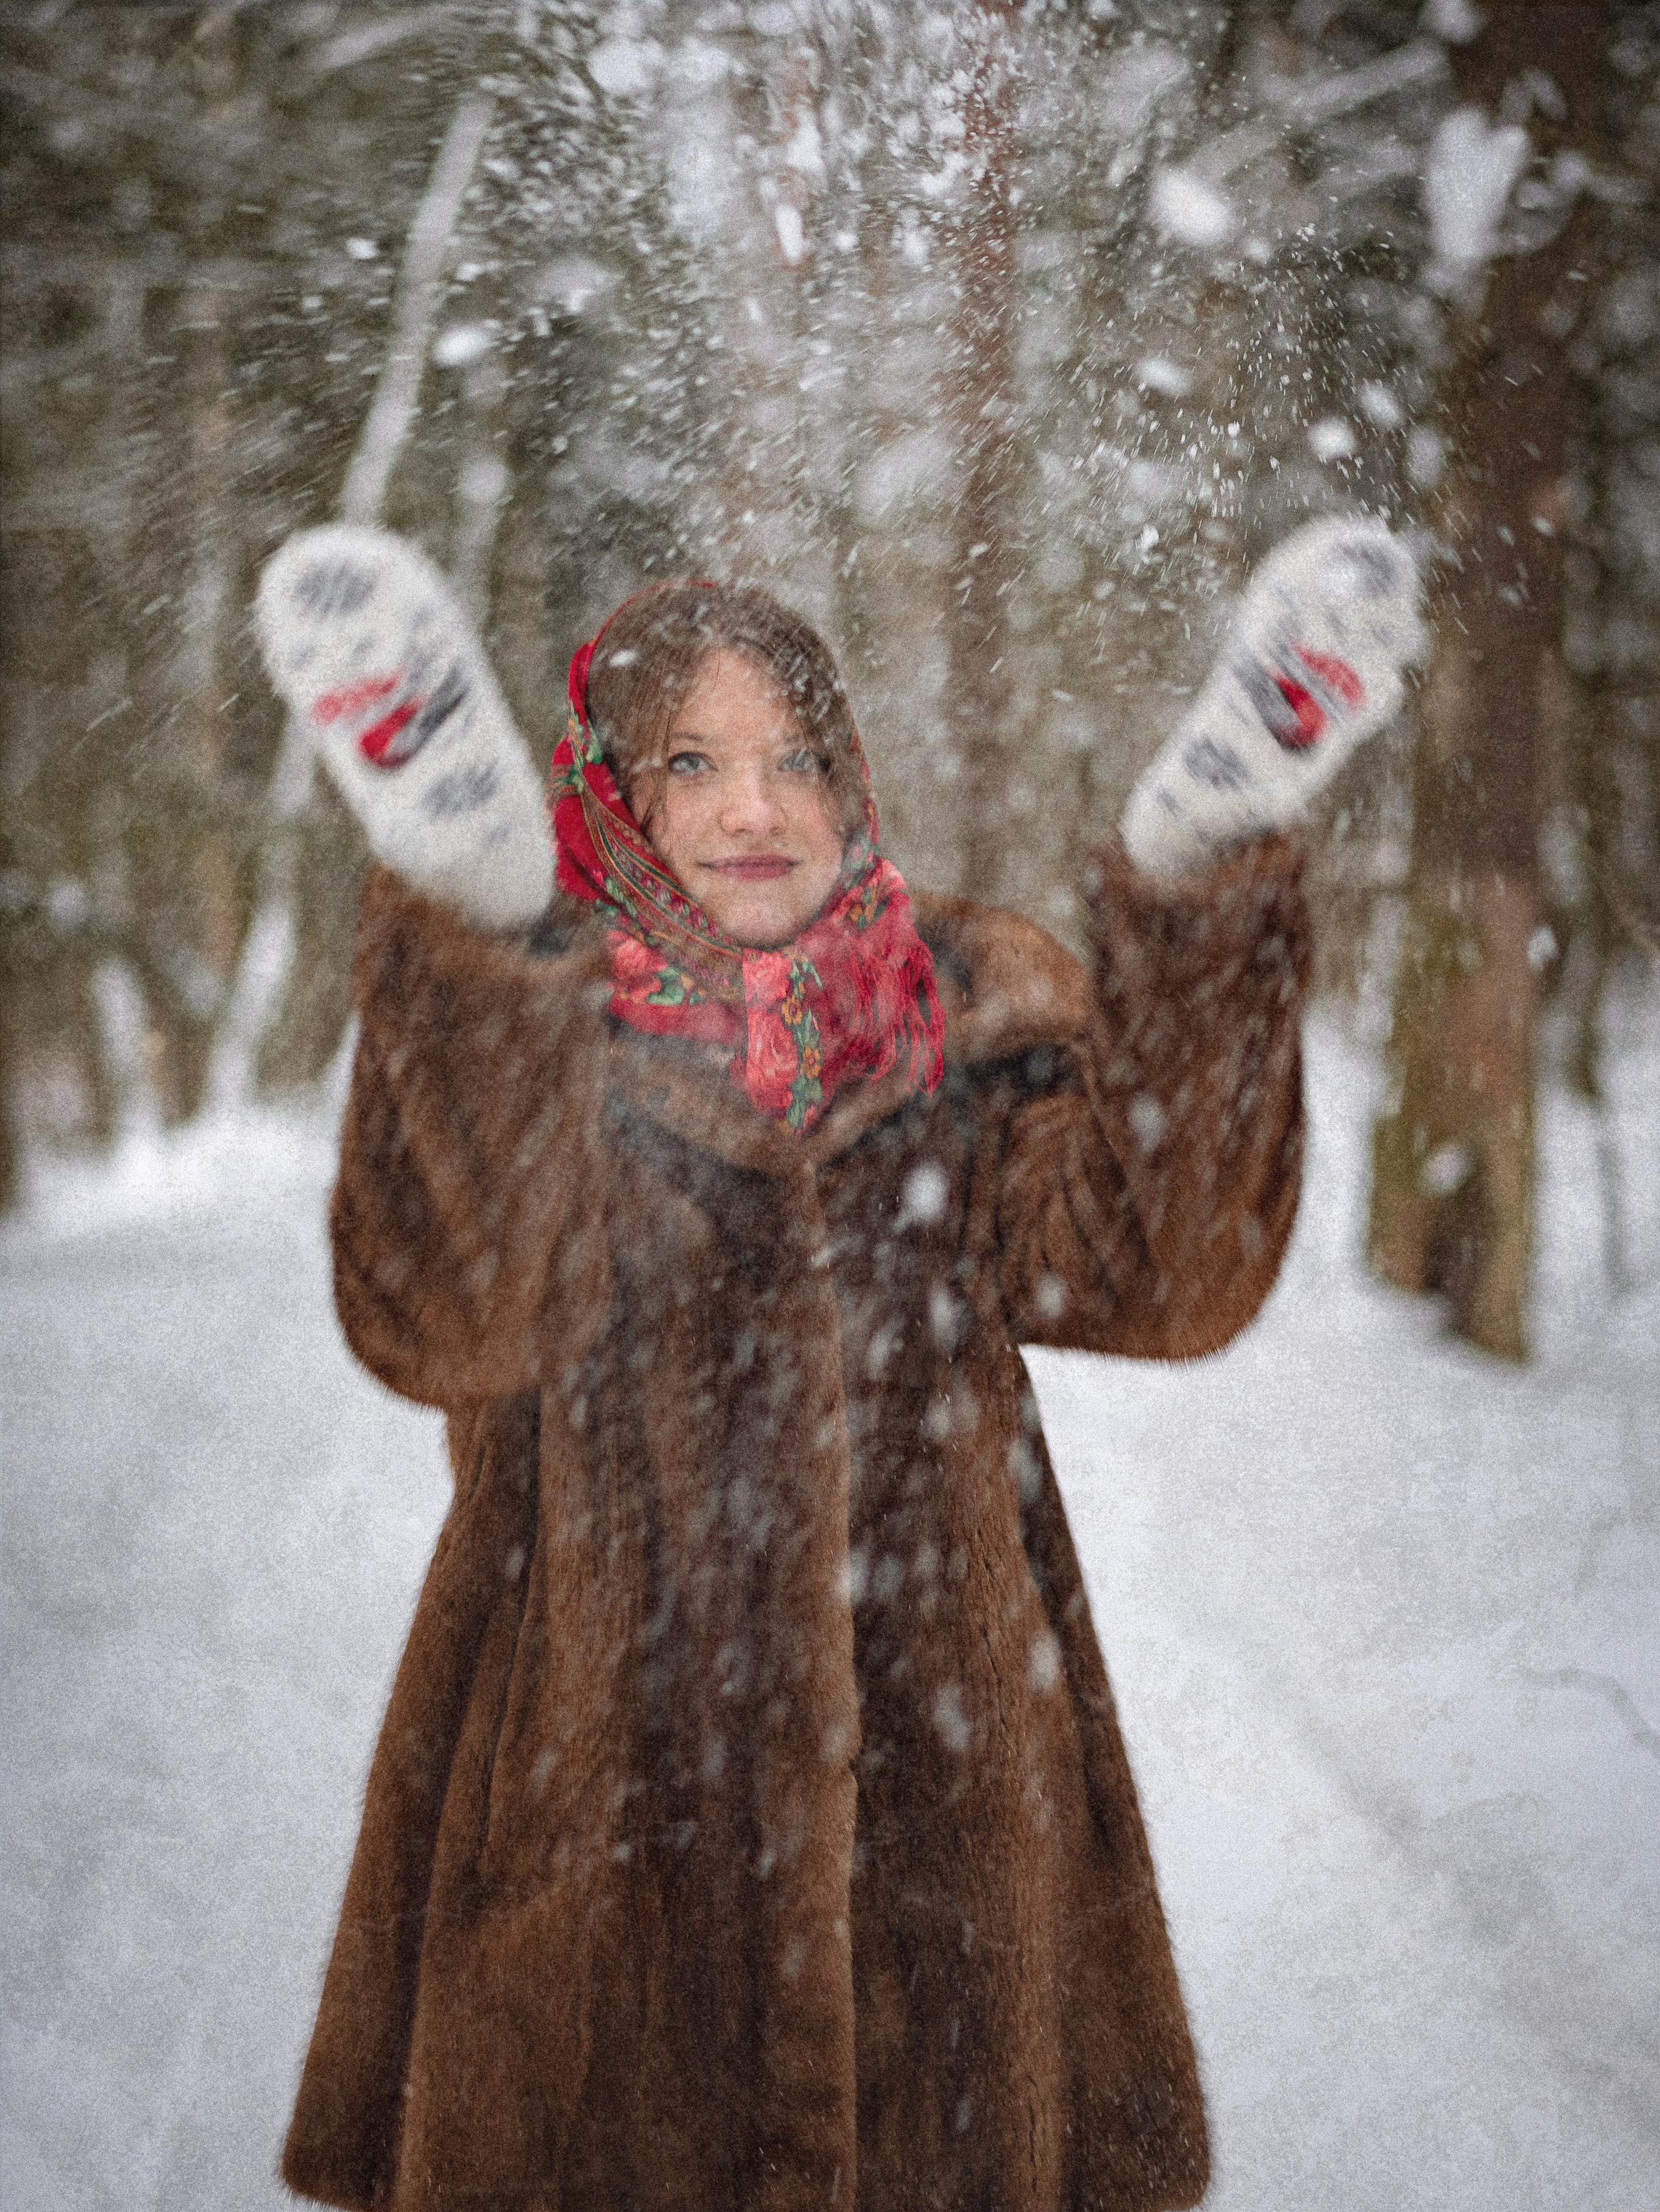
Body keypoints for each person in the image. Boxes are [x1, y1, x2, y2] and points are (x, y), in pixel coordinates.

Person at [255, 518, 1421, 2212]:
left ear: (853, 779)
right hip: (596, 1850)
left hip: (943, 1853)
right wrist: (491, 959)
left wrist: (1194, 903)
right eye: (697, 764)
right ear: (614, 805)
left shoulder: (954, 1036)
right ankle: (480, 881)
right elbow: (447, 1311)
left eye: (800, 758)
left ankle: (1204, 815)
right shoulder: (544, 1060)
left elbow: (1168, 1274)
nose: (758, 807)